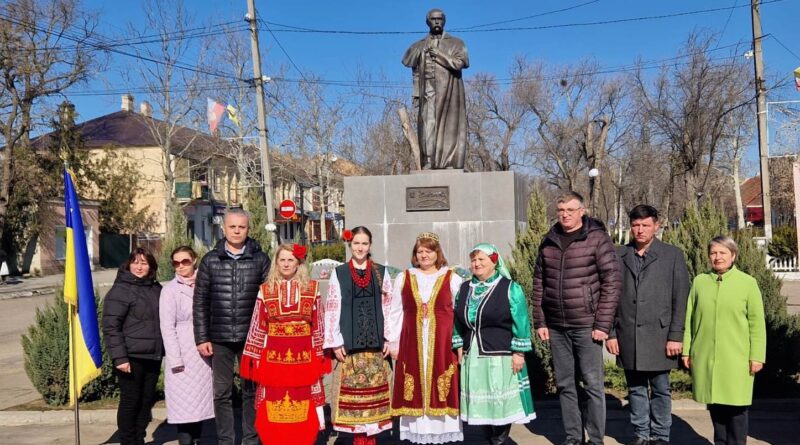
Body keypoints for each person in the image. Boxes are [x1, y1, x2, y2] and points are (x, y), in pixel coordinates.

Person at [532, 191, 621, 445]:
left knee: (593, 384)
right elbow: (539, 282)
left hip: (587, 325)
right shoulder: (549, 240)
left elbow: (612, 282)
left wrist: (602, 324)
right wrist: (540, 320)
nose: (565, 215)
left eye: (570, 210)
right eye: (561, 210)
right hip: (557, 326)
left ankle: (596, 439)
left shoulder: (597, 238)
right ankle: (573, 437)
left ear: (582, 211)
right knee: (565, 384)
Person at [606, 205, 690, 445]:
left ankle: (660, 435)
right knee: (635, 388)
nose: (640, 230)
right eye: (635, 225)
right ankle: (641, 434)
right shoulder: (618, 254)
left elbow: (680, 297)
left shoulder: (672, 255)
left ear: (656, 226)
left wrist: (675, 335)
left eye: (645, 225)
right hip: (628, 333)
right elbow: (609, 295)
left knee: (661, 387)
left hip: (660, 335)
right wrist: (611, 333)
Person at [193, 208, 270, 445]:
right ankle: (225, 440)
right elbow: (200, 301)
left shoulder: (261, 259)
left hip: (251, 339)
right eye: (232, 227)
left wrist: (267, 336)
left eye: (241, 227)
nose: (237, 231)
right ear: (223, 228)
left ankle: (251, 440)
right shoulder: (210, 260)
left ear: (248, 229)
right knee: (222, 393)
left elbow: (269, 300)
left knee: (251, 392)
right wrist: (202, 338)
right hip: (219, 338)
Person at [240, 243, 328, 445]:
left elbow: (319, 324)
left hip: (304, 358)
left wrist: (320, 354)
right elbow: (258, 324)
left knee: (303, 401)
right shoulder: (265, 290)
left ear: (298, 263)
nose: (286, 264)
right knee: (274, 402)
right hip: (274, 360)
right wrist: (255, 357)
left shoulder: (312, 288)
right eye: (282, 260)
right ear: (276, 263)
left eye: (290, 260)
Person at [682, 236, 766, 445]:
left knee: (736, 409)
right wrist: (687, 350)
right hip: (706, 356)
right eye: (713, 253)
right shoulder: (700, 282)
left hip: (737, 357)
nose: (717, 257)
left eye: (722, 253)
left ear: (733, 256)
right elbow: (690, 318)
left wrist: (757, 355)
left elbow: (757, 324)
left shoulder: (747, 283)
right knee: (716, 407)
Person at [453, 243, 536, 445]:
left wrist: (519, 353)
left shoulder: (509, 288)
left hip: (500, 355)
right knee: (480, 407)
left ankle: (498, 441)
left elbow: (521, 321)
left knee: (499, 403)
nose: (476, 263)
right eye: (473, 260)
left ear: (494, 262)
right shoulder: (465, 288)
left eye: (481, 259)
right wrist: (459, 344)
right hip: (473, 355)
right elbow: (456, 319)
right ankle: (489, 440)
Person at [389, 232, 463, 444]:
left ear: (437, 253)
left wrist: (460, 342)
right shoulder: (404, 277)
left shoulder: (451, 278)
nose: (424, 255)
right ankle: (418, 436)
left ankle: (441, 436)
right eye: (420, 251)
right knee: (413, 385)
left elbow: (461, 313)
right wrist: (393, 343)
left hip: (442, 342)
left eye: (429, 251)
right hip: (411, 341)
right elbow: (395, 311)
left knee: (442, 383)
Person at [324, 226, 395, 445]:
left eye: (364, 243)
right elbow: (333, 307)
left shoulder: (381, 272)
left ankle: (371, 441)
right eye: (356, 243)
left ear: (370, 245)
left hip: (375, 347)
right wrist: (335, 341)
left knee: (374, 403)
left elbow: (389, 307)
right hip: (350, 347)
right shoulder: (340, 273)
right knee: (353, 403)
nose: (360, 248)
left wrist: (389, 338)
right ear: (350, 244)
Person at [102, 247, 163, 445]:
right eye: (135, 262)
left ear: (151, 266)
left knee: (146, 401)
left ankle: (139, 438)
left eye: (144, 263)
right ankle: (128, 441)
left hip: (152, 356)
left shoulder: (156, 288)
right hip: (130, 356)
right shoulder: (121, 290)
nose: (139, 267)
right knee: (131, 401)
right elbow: (111, 326)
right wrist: (120, 358)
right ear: (128, 265)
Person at [402, 8, 469, 170]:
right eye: (433, 19)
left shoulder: (456, 43)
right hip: (427, 90)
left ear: (444, 21)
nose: (437, 21)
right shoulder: (419, 45)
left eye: (440, 18)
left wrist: (439, 54)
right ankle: (428, 161)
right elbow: (415, 70)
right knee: (427, 125)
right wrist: (416, 93)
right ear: (427, 22)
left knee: (449, 127)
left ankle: (448, 162)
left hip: (450, 91)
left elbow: (459, 64)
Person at [160, 246, 214, 445]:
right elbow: (167, 327)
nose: (181, 266)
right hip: (182, 351)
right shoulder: (169, 290)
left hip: (204, 352)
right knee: (183, 407)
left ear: (194, 260)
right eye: (176, 263)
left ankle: (198, 441)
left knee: (199, 405)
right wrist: (175, 359)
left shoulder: (205, 284)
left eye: (185, 261)